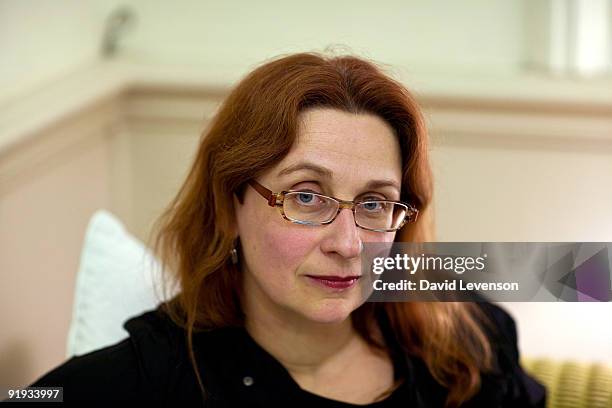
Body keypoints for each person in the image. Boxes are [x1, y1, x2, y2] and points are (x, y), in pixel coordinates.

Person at [25, 52, 546, 407]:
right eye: (305, 197)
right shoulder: (147, 379)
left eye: (373, 203)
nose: (347, 245)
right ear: (229, 206)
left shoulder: (467, 341)